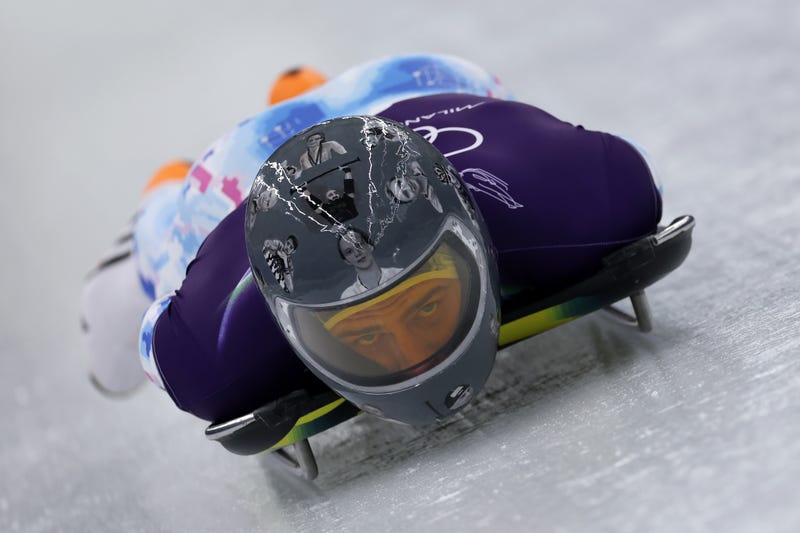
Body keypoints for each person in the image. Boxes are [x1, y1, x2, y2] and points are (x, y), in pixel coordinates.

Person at [86, 55, 663, 428]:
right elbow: (152, 336)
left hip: (399, 94)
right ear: (286, 321)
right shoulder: (212, 350)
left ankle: (296, 95)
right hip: (237, 178)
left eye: (428, 303)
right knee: (125, 316)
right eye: (362, 332)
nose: (410, 358)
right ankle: (163, 192)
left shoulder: (572, 194)